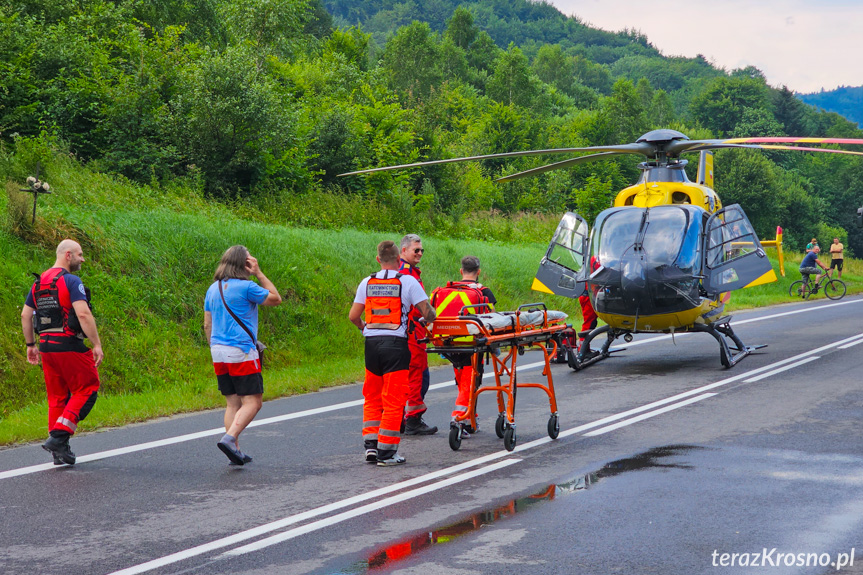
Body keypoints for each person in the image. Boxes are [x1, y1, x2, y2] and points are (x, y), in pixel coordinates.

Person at [349, 240, 436, 466]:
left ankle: (371, 446)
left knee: (372, 395)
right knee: (394, 398)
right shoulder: (407, 281)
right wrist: (428, 314)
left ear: (378, 260)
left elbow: (353, 316)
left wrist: (363, 327)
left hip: (371, 345)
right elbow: (428, 313)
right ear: (399, 260)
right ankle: (387, 453)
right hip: (396, 345)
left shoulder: (366, 282)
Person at [21, 239, 103, 466]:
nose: (82, 259)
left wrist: (31, 345)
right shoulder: (71, 281)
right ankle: (58, 438)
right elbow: (83, 314)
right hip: (69, 345)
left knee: (57, 397)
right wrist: (96, 344)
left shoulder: (38, 284)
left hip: (47, 347)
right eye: (80, 254)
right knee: (87, 388)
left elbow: (26, 316)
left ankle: (60, 451)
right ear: (68, 255)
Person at [204, 246, 281, 465]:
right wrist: (259, 273)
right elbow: (275, 299)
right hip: (241, 351)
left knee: (232, 403)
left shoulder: (213, 289)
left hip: (217, 351)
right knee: (253, 402)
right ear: (244, 264)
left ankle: (234, 450)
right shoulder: (248, 287)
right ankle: (229, 439)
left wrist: (214, 346)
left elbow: (207, 324)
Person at [429, 256, 496, 437]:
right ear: (479, 272)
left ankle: (470, 418)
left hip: (448, 342)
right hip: (472, 343)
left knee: (463, 380)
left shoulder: (443, 290)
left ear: (461, 271)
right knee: (470, 382)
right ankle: (458, 418)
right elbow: (492, 318)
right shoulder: (484, 292)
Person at [398, 233, 437, 435]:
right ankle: (412, 419)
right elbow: (421, 307)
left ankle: (400, 418)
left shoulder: (400, 271)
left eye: (422, 250)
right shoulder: (407, 274)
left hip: (402, 331)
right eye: (416, 250)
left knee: (405, 378)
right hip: (412, 332)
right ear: (403, 250)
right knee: (418, 377)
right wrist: (431, 317)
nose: (420, 253)